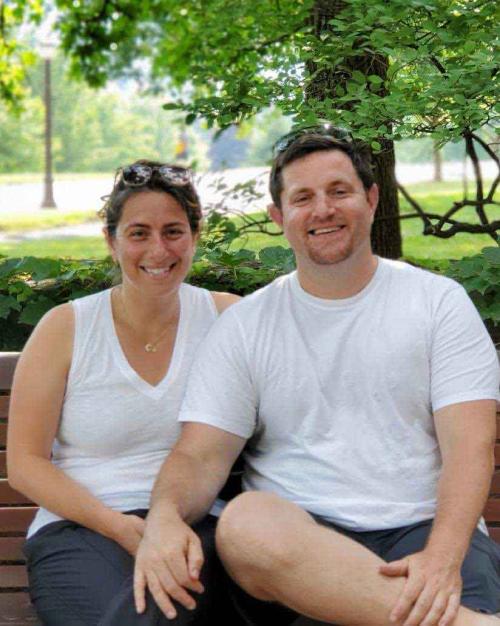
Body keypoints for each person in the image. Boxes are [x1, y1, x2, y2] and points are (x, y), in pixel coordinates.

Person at [133, 130, 500, 626]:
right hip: (297, 549)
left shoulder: (438, 303)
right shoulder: (247, 325)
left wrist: (441, 560)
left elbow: (470, 448)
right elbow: (199, 454)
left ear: (371, 200)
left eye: (339, 191)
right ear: (280, 218)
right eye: (302, 198)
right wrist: (163, 516)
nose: (322, 209)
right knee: (244, 523)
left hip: (423, 530)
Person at [7, 160, 240, 626]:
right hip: (80, 529)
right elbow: (25, 464)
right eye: (139, 233)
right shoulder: (66, 328)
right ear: (111, 241)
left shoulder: (227, 321)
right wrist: (124, 529)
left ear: (196, 235)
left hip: (195, 526)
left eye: (174, 231)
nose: (158, 249)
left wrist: (162, 526)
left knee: (159, 607)